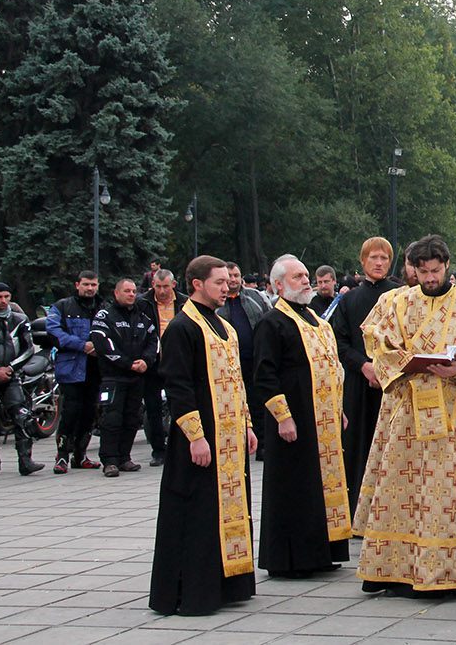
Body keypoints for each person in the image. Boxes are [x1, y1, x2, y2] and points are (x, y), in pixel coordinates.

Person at [354, 235, 456, 596]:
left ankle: (451, 574)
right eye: (423, 272)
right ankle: (394, 571)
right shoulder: (396, 302)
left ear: (447, 265)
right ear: (413, 270)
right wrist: (404, 360)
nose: (430, 278)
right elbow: (376, 341)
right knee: (401, 487)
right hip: (406, 410)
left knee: (449, 492)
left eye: (435, 270)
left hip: (454, 412)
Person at [149, 255, 258, 616]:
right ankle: (192, 590)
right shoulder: (182, 327)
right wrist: (196, 436)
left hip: (229, 437)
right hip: (199, 436)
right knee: (196, 512)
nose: (227, 287)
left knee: (225, 511)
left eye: (228, 281)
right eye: (219, 282)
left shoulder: (224, 326)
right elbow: (178, 386)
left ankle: (227, 584)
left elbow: (237, 381)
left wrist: (247, 425)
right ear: (197, 284)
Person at [252, 255, 351, 578]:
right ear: (278, 286)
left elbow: (332, 368)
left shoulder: (316, 320)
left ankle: (323, 552)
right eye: (297, 277)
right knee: (295, 486)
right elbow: (264, 374)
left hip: (322, 418)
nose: (306, 281)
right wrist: (283, 416)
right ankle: (293, 559)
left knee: (319, 486)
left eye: (306, 275)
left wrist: (338, 408)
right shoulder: (272, 322)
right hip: (294, 417)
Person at [330, 236, 399, 515]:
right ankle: (357, 509)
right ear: (363, 261)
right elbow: (339, 342)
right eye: (374, 257)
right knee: (357, 445)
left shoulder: (400, 296)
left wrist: (385, 368)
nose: (379, 263)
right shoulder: (349, 300)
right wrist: (364, 366)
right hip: (359, 383)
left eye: (384, 258)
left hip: (392, 384)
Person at [0, 283, 44, 476]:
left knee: (22, 416)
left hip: (11, 374)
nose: (3, 301)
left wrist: (11, 368)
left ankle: (25, 461)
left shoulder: (20, 319)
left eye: (6, 296)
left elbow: (28, 349)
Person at [90, 278, 157, 477]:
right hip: (114, 377)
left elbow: (153, 341)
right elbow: (103, 344)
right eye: (127, 291)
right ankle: (110, 460)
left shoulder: (142, 316)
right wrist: (127, 363)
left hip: (137, 377)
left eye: (134, 291)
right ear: (116, 293)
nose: (131, 294)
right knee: (112, 419)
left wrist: (146, 361)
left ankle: (124, 457)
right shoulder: (105, 316)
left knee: (132, 418)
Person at [46, 270, 104, 473]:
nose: (90, 288)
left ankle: (80, 455)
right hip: (71, 368)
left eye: (93, 285)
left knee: (90, 412)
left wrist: (99, 347)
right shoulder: (62, 306)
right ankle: (62, 455)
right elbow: (54, 332)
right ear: (77, 285)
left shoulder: (103, 307)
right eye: (86, 284)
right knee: (70, 412)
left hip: (96, 369)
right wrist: (82, 345)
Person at [218, 263, 268, 458]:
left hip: (254, 359)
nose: (233, 279)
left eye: (236, 275)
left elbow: (267, 319)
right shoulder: (218, 302)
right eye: (229, 275)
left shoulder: (255, 297)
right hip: (229, 364)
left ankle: (262, 444)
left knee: (258, 403)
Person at [136, 269, 185, 467]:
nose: (162, 291)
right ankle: (158, 449)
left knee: (179, 404)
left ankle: (180, 447)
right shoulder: (143, 303)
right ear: (152, 285)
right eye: (158, 287)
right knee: (153, 407)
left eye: (166, 286)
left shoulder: (184, 302)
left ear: (173, 285)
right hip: (152, 360)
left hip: (176, 360)